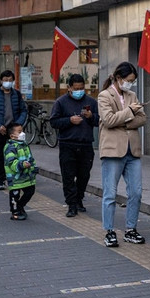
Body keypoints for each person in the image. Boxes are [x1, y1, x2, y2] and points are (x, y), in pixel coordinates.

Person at [97, 62, 147, 247]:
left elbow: (143, 118)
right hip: (112, 150)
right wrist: (130, 112)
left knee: (136, 192)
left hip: (132, 150)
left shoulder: (132, 94)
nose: (130, 84)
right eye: (128, 80)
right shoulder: (104, 95)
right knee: (110, 193)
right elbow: (108, 120)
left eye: (133, 81)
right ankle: (109, 231)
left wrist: (125, 122)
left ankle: (130, 229)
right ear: (118, 78)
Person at [50, 74, 100, 217]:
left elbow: (99, 121)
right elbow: (54, 122)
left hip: (85, 144)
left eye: (81, 88)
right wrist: (69, 120)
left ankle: (79, 199)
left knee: (84, 175)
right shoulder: (60, 102)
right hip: (67, 144)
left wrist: (91, 117)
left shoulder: (91, 101)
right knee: (68, 176)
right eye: (76, 88)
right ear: (69, 88)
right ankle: (71, 204)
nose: (79, 91)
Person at [0, 70, 28, 190]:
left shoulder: (17, 94)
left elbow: (23, 111)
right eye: (5, 80)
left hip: (13, 130)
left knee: (17, 154)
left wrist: (18, 125)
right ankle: (0, 179)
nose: (8, 82)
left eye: (10, 80)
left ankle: (15, 177)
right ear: (0, 81)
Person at [4, 122, 38, 221]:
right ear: (12, 136)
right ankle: (15, 212)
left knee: (30, 191)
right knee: (14, 195)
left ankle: (20, 206)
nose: (22, 133)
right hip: (15, 177)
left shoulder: (24, 145)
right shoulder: (10, 147)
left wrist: (33, 168)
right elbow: (11, 162)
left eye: (22, 131)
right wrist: (21, 165)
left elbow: (30, 158)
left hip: (27, 175)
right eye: (19, 132)